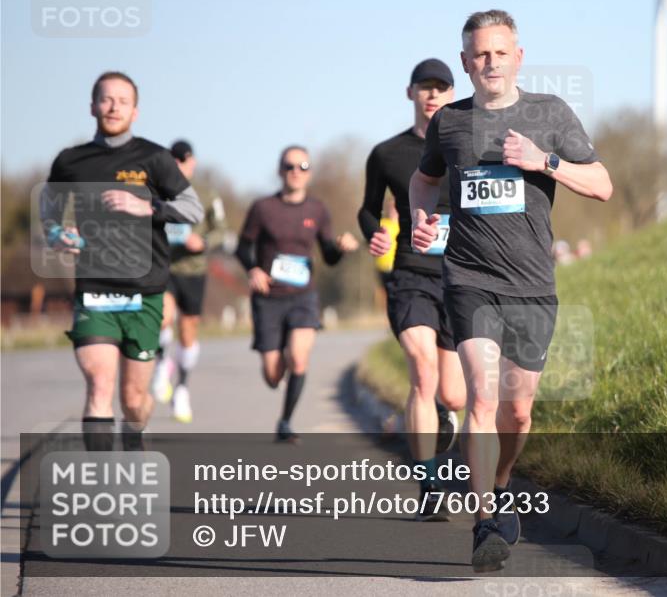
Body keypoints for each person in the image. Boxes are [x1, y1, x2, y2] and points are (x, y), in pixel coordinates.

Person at [410, 10, 613, 571]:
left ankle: (499, 484)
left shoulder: (550, 114)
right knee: (480, 397)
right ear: (466, 63)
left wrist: (545, 161)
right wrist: (421, 218)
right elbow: (424, 180)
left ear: (517, 57)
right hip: (469, 279)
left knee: (517, 412)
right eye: (480, 53)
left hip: (532, 285)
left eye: (501, 51)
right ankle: (482, 523)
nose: (491, 61)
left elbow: (602, 184)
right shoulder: (449, 124)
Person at [41, 71, 204, 451]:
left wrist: (147, 206)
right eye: (106, 99)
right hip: (95, 290)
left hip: (143, 292)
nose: (114, 107)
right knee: (99, 384)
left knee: (133, 400)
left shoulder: (154, 158)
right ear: (92, 106)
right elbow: (48, 210)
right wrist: (55, 233)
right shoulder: (70, 162)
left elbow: (192, 209)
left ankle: (136, 431)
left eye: (123, 101)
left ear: (136, 110)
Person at [358, 59, 466, 521]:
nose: (433, 95)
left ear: (451, 94)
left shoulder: (466, 146)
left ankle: (443, 420)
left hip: (461, 277)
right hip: (410, 276)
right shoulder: (386, 154)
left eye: (441, 88)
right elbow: (367, 210)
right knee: (422, 373)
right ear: (411, 94)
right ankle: (429, 481)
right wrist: (374, 234)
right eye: (425, 88)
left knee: (456, 396)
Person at [236, 145, 358, 443]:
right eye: (289, 166)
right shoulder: (263, 208)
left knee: (299, 359)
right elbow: (242, 247)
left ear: (309, 173)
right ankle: (278, 376)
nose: (295, 172)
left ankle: (286, 421)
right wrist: (253, 269)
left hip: (303, 296)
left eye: (302, 167)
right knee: (273, 375)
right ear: (280, 171)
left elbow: (328, 255)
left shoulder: (317, 210)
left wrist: (340, 249)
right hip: (268, 299)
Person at [150, 139, 228, 423]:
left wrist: (204, 241)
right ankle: (161, 365)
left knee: (188, 332)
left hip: (194, 271)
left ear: (192, 162)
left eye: (185, 161)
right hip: (165, 267)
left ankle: (181, 387)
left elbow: (221, 230)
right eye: (175, 161)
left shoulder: (207, 194)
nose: (180, 166)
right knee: (162, 317)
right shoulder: (158, 192)